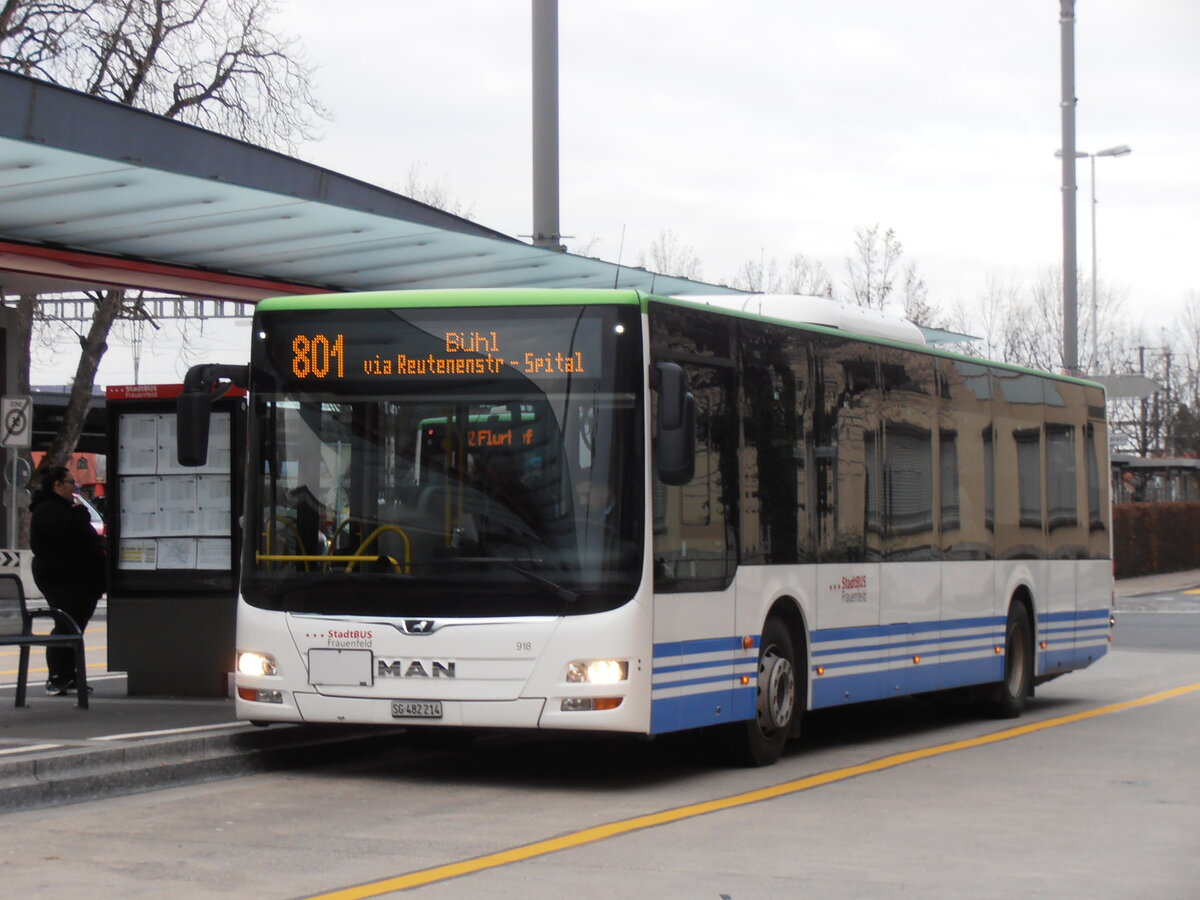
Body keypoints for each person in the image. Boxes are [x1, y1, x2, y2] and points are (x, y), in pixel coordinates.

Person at [29, 465, 107, 695]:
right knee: (66, 624)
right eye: (72, 483)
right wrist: (81, 514)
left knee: (74, 625)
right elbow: (70, 533)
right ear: (57, 485)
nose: (76, 488)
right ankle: (58, 675)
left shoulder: (61, 508)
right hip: (64, 578)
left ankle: (68, 674)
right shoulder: (49, 510)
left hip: (79, 578)